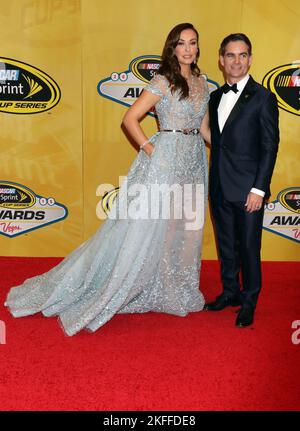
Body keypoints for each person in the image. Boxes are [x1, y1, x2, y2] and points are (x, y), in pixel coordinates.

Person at [5, 23, 210, 336]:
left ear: (197, 47)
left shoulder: (203, 82)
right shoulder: (163, 79)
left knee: (184, 227)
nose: (187, 48)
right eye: (181, 43)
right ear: (172, 48)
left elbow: (205, 129)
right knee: (146, 227)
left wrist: (226, 149)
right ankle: (121, 284)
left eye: (192, 43)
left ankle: (174, 289)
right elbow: (130, 119)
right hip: (167, 157)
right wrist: (152, 149)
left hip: (194, 158)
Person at [205, 33, 279, 327]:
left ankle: (249, 301)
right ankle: (230, 292)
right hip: (220, 185)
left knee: (249, 247)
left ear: (250, 59)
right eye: (231, 55)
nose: (237, 61)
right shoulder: (214, 97)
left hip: (249, 189)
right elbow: (217, 140)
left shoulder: (263, 98)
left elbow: (269, 147)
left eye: (243, 55)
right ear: (221, 60)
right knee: (226, 245)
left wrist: (259, 189)